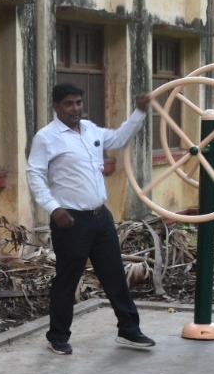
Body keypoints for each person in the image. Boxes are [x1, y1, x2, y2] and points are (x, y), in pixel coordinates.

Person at [26, 83, 155, 354]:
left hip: (100, 217)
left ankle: (129, 331)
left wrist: (139, 111)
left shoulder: (90, 129)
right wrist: (54, 208)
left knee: (115, 275)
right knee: (67, 279)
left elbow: (119, 139)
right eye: (69, 104)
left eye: (78, 102)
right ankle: (58, 337)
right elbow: (35, 175)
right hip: (70, 221)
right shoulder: (46, 137)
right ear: (56, 107)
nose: (75, 108)